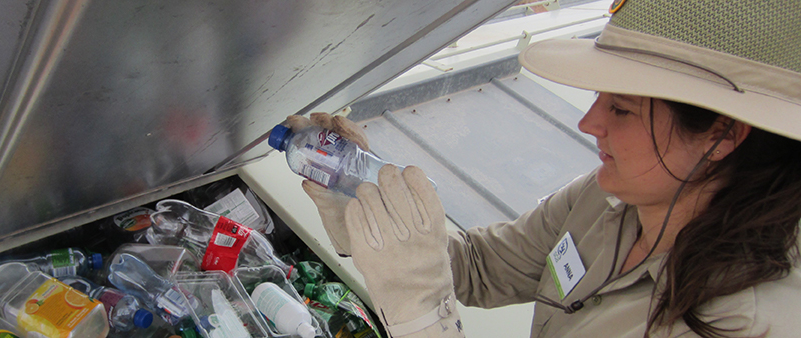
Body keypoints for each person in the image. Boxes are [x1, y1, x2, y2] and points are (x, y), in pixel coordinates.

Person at [291, 0, 801, 337]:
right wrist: (358, 202)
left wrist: (422, 316)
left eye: (621, 109)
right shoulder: (608, 200)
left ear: (722, 136)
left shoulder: (745, 322)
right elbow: (477, 267)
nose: (588, 121)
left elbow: (429, 289)